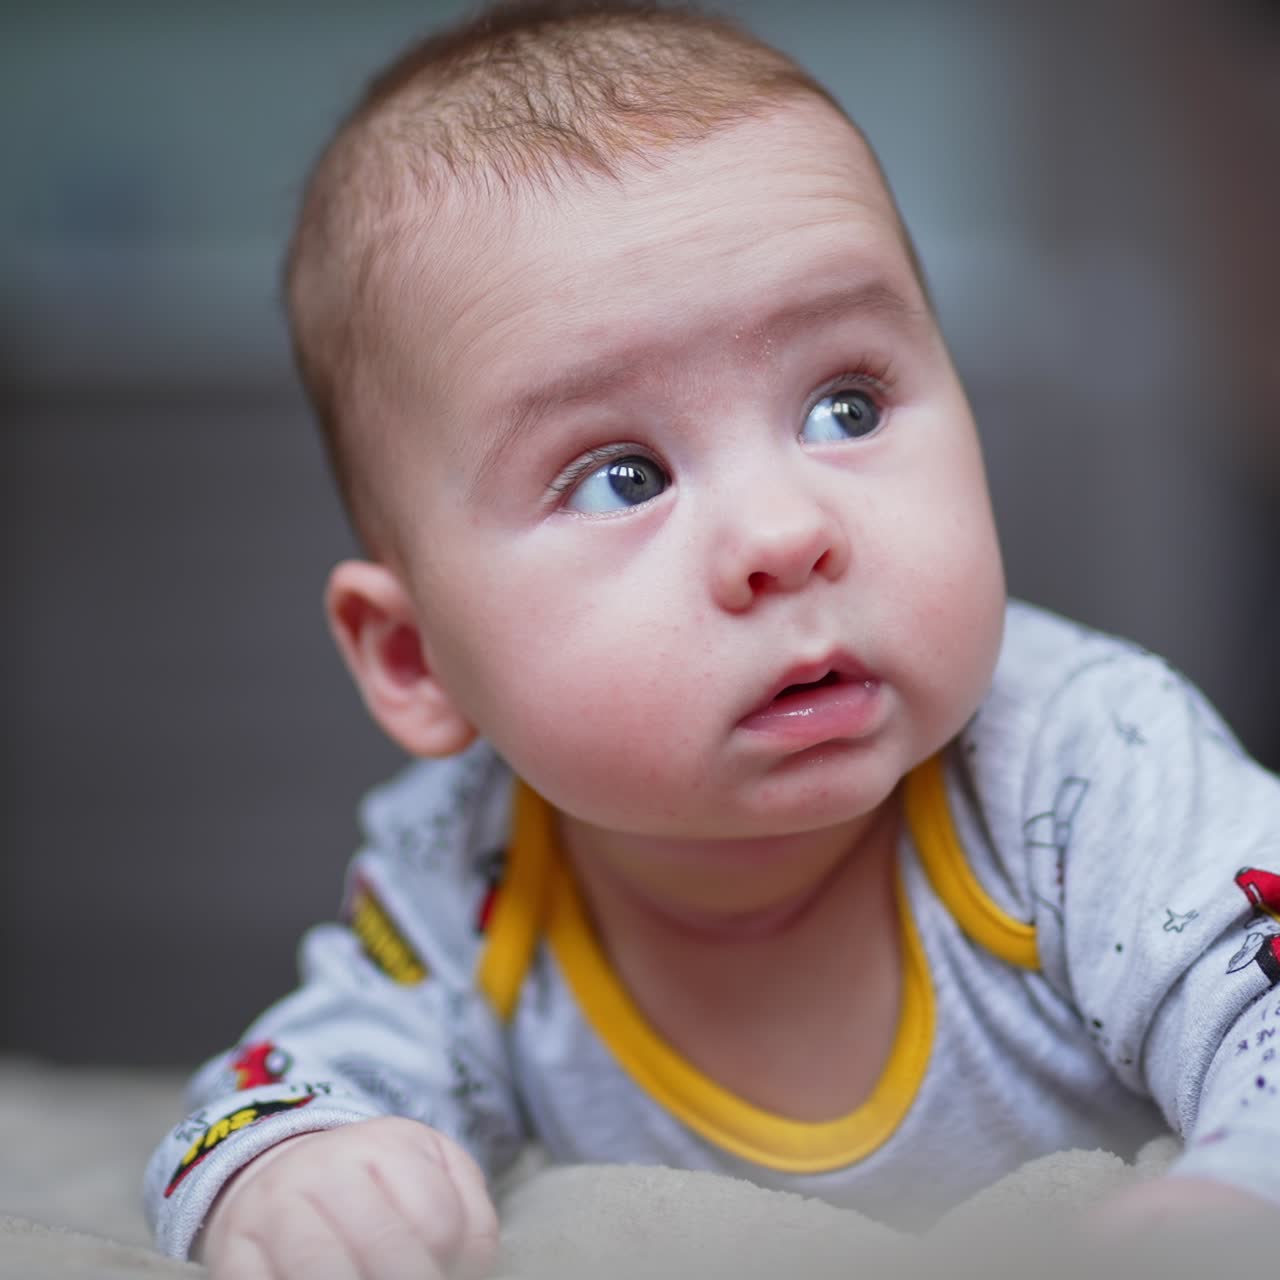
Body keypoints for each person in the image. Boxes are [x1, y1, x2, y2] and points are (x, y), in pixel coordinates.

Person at [144, 2, 1280, 1276]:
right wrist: (294, 1171)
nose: (785, 530)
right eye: (621, 476)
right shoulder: (469, 877)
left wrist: (1241, 1191)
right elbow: (261, 1090)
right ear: (414, 659)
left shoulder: (1077, 765)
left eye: (844, 404)